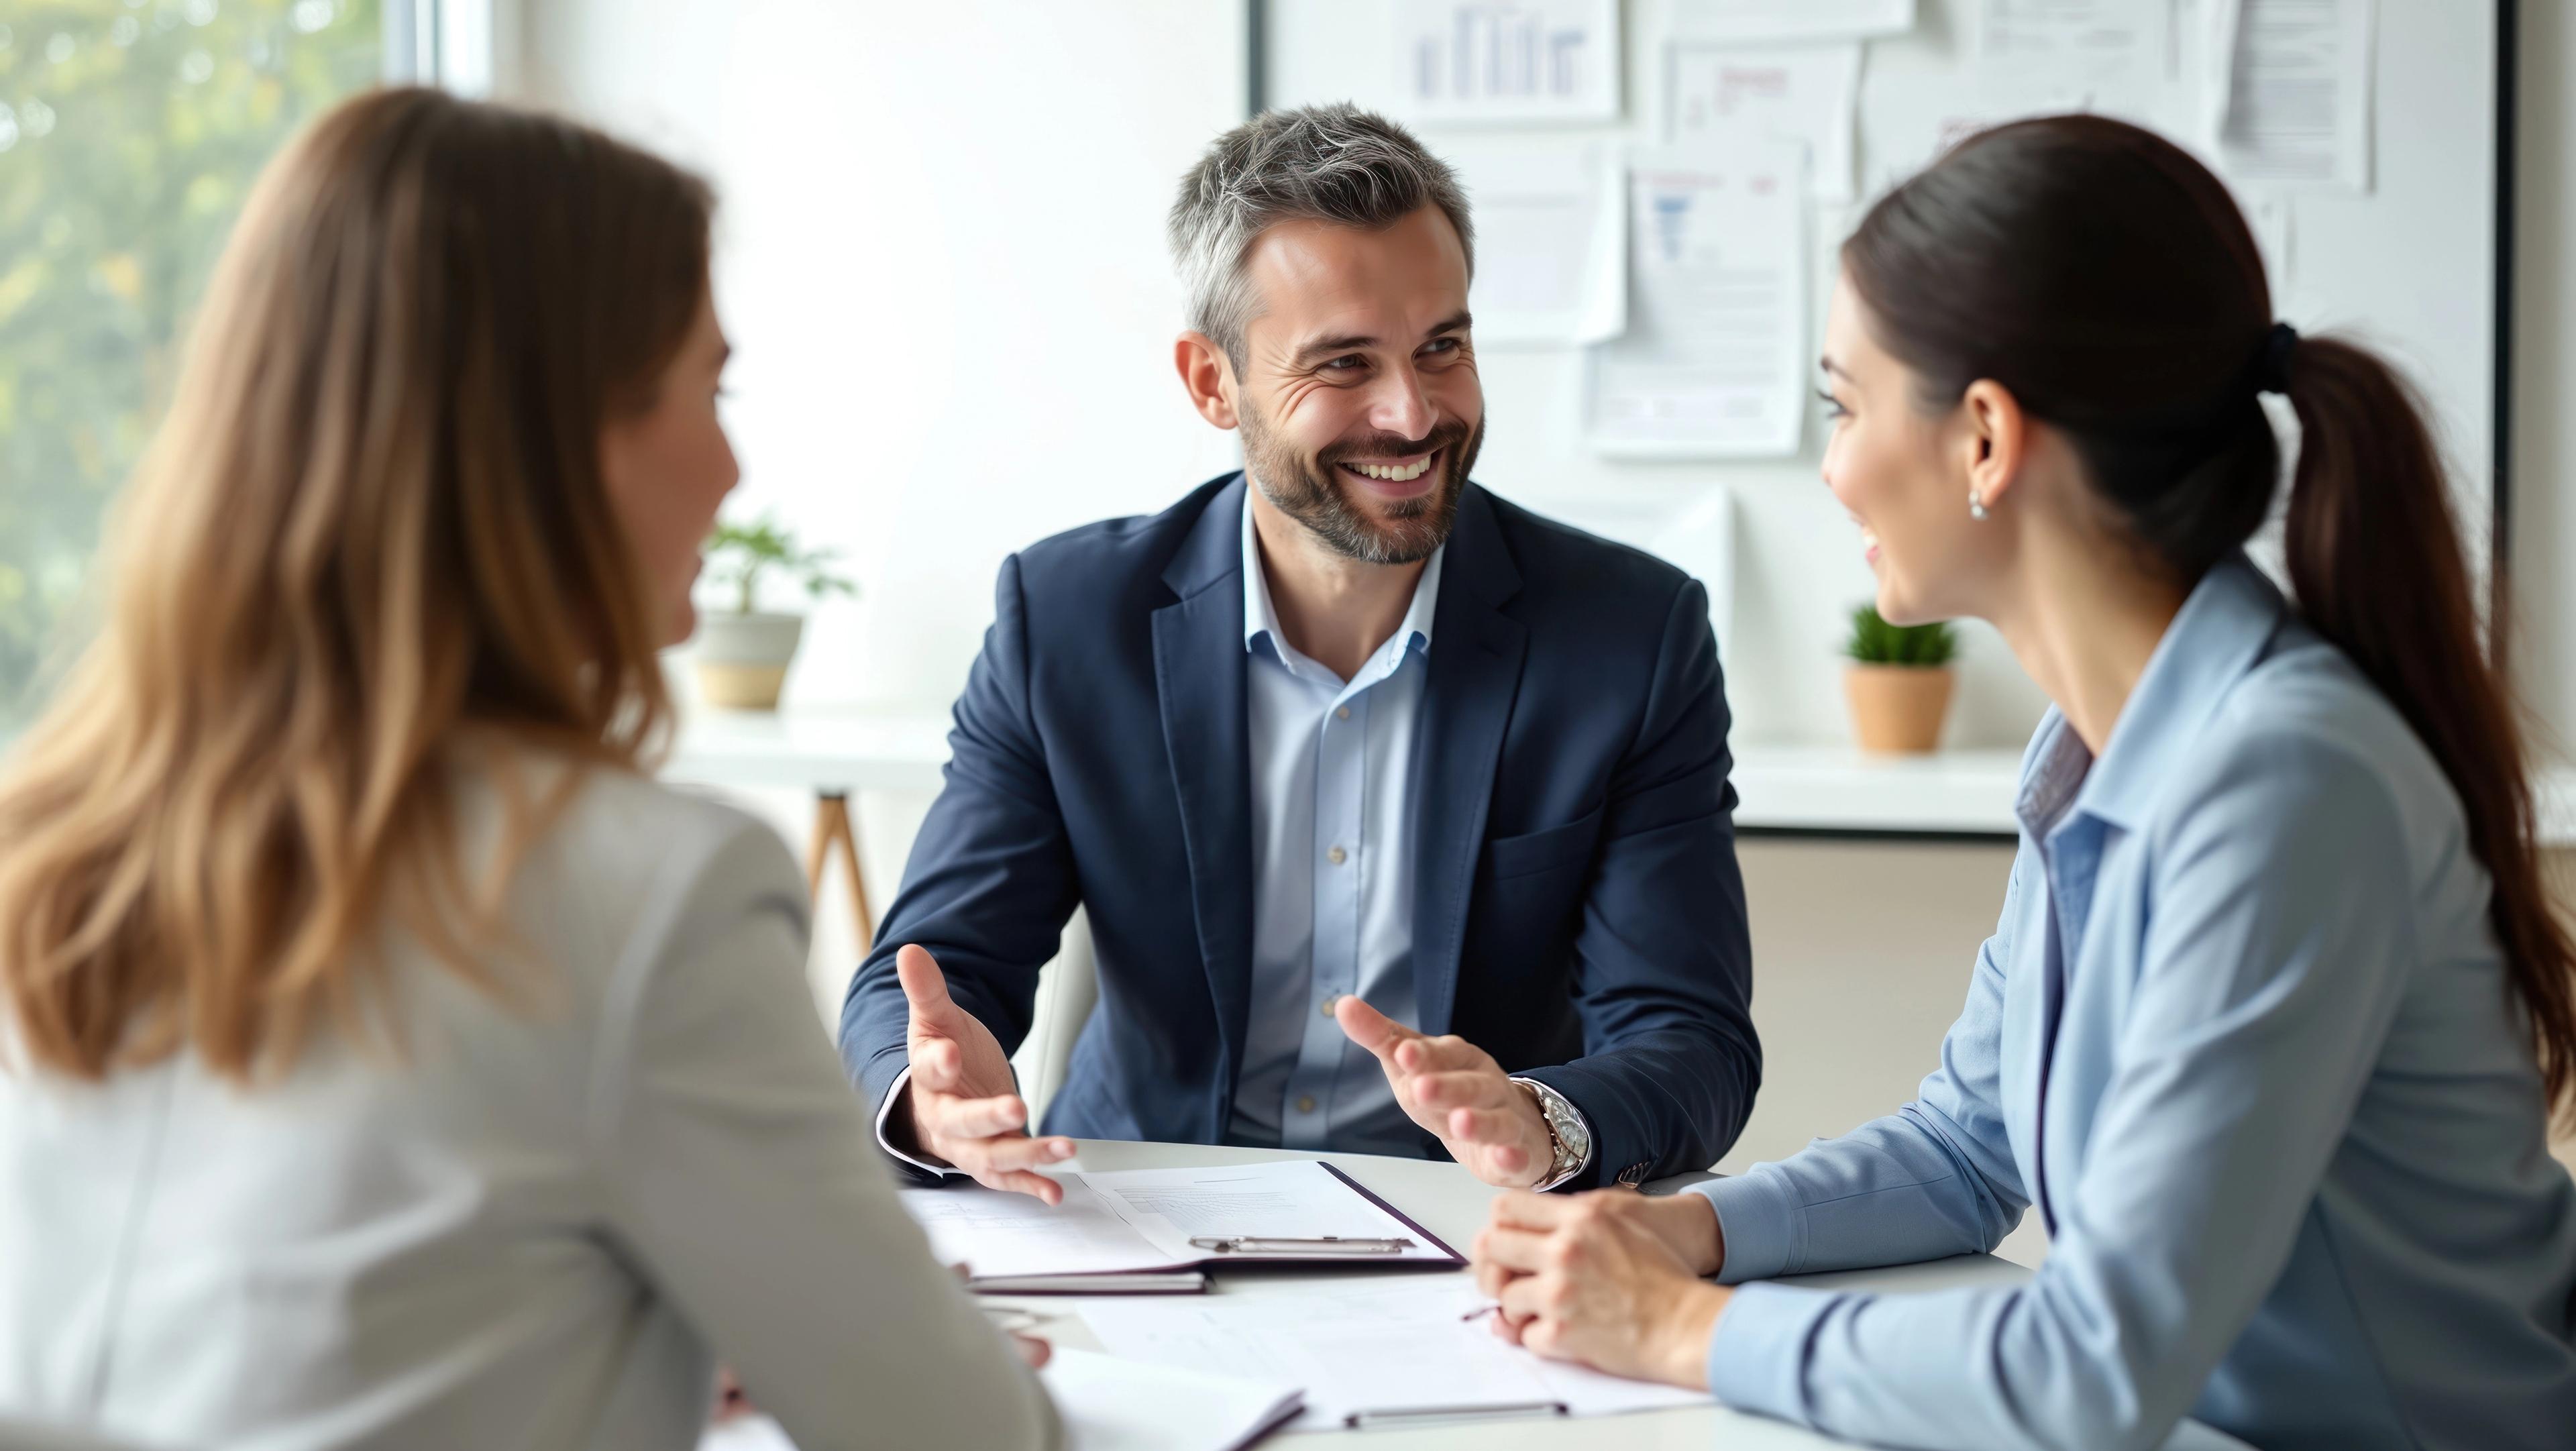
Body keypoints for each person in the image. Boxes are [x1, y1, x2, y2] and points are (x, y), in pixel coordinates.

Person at [1468, 115, 2576, 1450]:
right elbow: (1965, 1146)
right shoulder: (2097, 747)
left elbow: (2094, 1366)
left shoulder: (2284, 782)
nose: (1833, 466)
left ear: (1985, 436)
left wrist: (1676, 1326)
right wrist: (1684, 1227)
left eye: (1846, 404)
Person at [0, 89, 1057, 1451]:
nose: (732, 464)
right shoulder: (646, 896)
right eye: (708, 387)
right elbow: (967, 1435)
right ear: (554, 439)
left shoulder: (51, 840)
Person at [839, 104, 1761, 1201]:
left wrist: (1544, 1120)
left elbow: (1689, 1038)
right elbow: (934, 973)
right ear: (1210, 382)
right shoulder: (1068, 620)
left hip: (1466, 1229)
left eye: (1442, 348)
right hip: (1145, 1202)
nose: (1412, 414)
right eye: (1343, 364)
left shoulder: (1628, 637)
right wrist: (929, 1090)